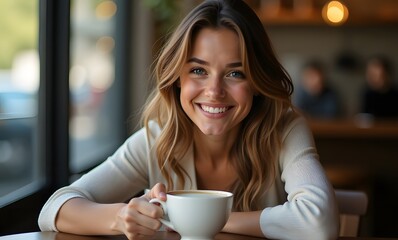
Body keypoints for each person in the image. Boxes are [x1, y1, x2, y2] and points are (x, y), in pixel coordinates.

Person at [38, 0, 339, 239]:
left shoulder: (284, 129)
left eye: (236, 73)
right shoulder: (158, 139)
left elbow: (319, 224)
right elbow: (54, 209)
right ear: (177, 78)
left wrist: (199, 219)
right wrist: (120, 219)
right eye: (198, 70)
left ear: (258, 83)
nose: (214, 91)